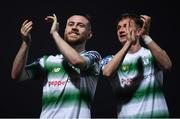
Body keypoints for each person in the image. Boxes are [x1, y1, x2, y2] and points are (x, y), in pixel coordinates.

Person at [11, 13, 101, 118]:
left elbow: (77, 62)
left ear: (89, 34)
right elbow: (17, 75)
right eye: (71, 24)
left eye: (81, 25)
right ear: (65, 30)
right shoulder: (47, 61)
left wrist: (54, 33)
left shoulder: (94, 56)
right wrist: (26, 43)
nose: (74, 28)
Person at [101, 13, 172, 118]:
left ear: (138, 31)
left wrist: (146, 36)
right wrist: (128, 43)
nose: (120, 30)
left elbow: (167, 66)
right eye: (119, 28)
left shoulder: (152, 54)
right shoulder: (110, 59)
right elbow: (107, 73)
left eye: (126, 26)